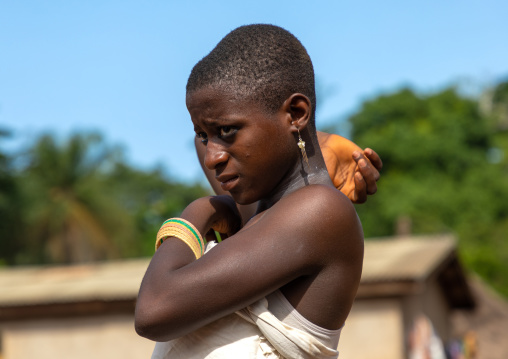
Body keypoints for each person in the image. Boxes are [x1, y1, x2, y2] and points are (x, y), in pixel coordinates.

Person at [136, 24, 378, 358]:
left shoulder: (319, 211)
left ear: (296, 113)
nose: (212, 157)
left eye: (227, 131)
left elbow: (153, 311)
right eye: (204, 135)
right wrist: (317, 142)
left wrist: (201, 210)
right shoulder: (254, 210)